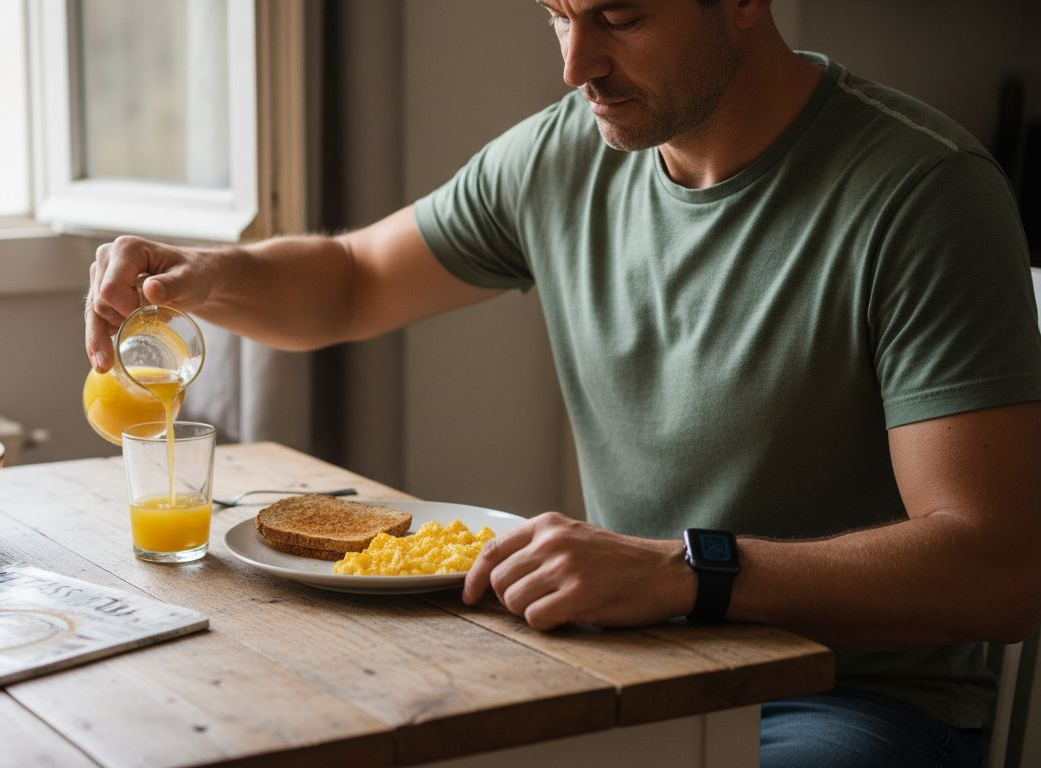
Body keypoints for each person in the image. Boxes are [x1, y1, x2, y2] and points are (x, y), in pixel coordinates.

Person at [84, 1, 1041, 765]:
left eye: (620, 18)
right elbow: (349, 280)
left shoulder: (926, 194)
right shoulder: (562, 152)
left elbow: (1000, 570)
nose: (576, 63)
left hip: (843, 703)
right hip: (616, 666)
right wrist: (203, 276)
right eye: (556, 13)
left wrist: (682, 573)